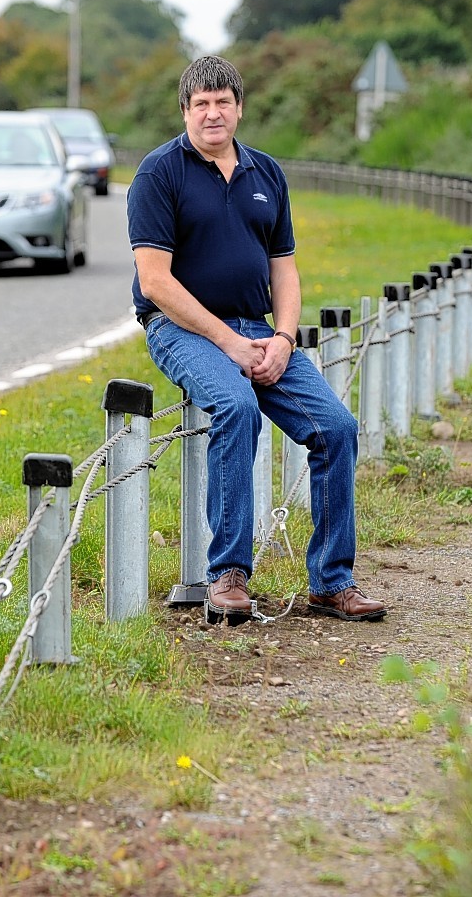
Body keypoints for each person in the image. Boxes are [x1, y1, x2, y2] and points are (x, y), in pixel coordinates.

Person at [127, 55, 387, 623]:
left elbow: (284, 268)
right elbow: (155, 281)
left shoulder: (266, 173)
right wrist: (229, 344)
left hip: (261, 331)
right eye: (201, 104)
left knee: (337, 428)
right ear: (185, 112)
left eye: (223, 102)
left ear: (240, 109)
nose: (212, 114)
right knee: (237, 406)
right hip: (182, 330)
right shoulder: (159, 173)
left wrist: (285, 339)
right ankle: (229, 575)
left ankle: (332, 582)